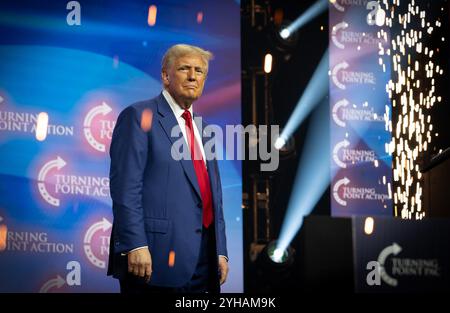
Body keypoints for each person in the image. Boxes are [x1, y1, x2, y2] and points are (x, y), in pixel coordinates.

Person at [107, 44, 229, 293]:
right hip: (154, 257)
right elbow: (125, 188)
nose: (193, 76)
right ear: (165, 75)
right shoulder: (138, 115)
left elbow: (213, 196)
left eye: (200, 71)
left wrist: (221, 251)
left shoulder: (205, 131)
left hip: (204, 261)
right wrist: (135, 245)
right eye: (184, 68)